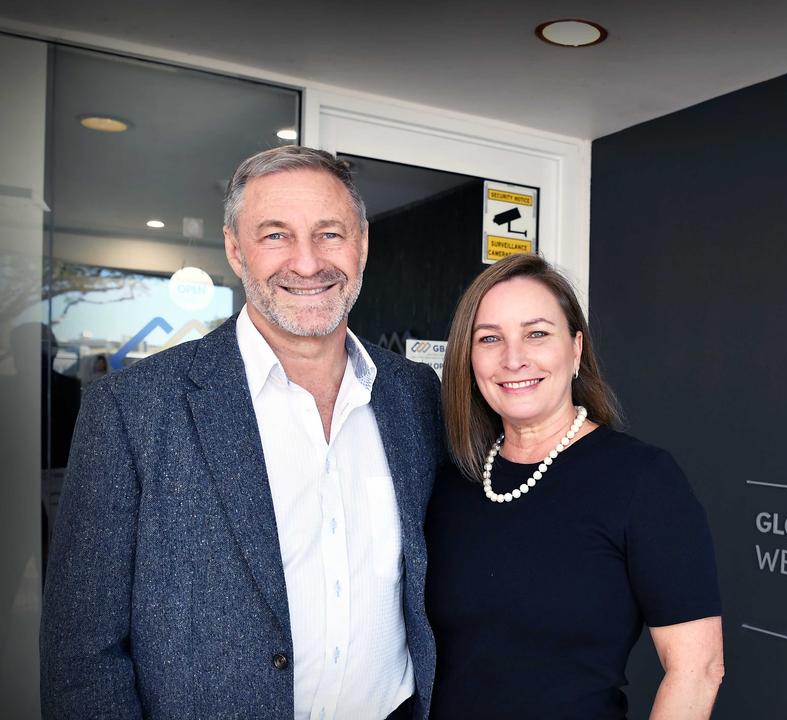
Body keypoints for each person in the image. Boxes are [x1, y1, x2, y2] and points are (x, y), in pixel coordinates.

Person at [40, 146, 443, 719]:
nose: (307, 263)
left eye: (330, 234)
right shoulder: (133, 409)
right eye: (275, 235)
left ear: (363, 244)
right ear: (235, 249)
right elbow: (81, 655)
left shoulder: (414, 395)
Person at [426, 253, 724, 719]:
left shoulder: (641, 480)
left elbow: (697, 667)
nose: (513, 358)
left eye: (537, 333)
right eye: (490, 338)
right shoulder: (451, 480)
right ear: (469, 357)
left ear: (576, 349)